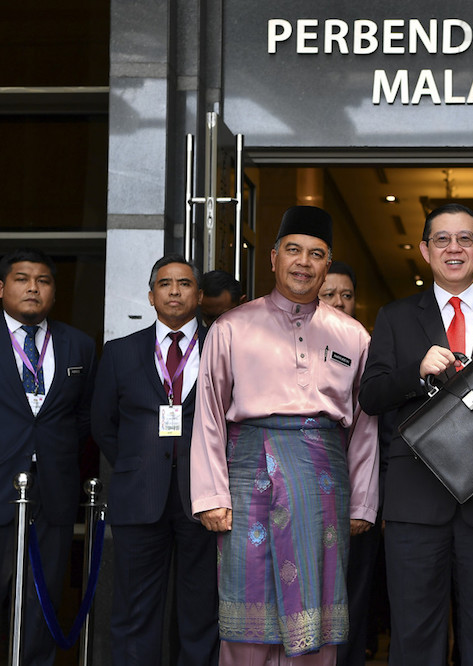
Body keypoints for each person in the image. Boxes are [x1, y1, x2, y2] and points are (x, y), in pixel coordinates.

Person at [190, 206, 379, 665]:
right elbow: (210, 412)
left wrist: (363, 502)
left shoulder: (353, 335)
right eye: (293, 250)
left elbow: (365, 423)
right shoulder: (231, 326)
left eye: (316, 254)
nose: (303, 262)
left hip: (323, 484)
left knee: (316, 609)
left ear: (327, 266)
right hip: (248, 476)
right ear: (273, 258)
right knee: (248, 603)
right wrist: (210, 495)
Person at [358, 202, 473, 666]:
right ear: (424, 250)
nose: (453, 248)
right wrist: (417, 372)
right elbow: (372, 395)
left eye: (465, 239)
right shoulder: (396, 317)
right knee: (414, 631)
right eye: (442, 239)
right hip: (416, 496)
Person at [0, 248, 96, 666]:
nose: (32, 287)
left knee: (40, 614)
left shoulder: (78, 345)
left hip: (52, 499)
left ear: (54, 292)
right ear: (1, 287)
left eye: (43, 280)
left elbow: (81, 418)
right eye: (22, 279)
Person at [91, 254, 218, 665]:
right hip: (139, 495)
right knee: (134, 611)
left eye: (184, 284)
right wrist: (137, 463)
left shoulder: (222, 344)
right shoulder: (119, 352)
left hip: (204, 498)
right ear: (151, 295)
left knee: (200, 612)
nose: (175, 291)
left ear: (199, 295)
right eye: (165, 284)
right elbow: (102, 424)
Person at [318, 261, 381, 666]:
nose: (340, 301)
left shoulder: (369, 347)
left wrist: (364, 503)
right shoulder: (289, 342)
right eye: (330, 294)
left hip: (356, 494)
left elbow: (372, 431)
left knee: (354, 595)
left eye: (347, 294)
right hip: (300, 492)